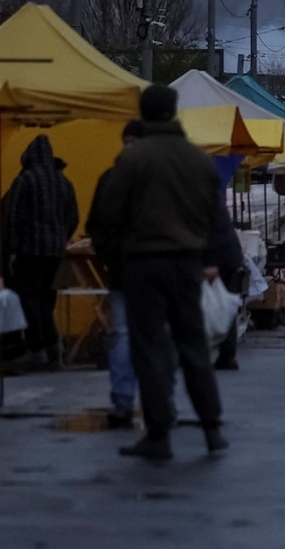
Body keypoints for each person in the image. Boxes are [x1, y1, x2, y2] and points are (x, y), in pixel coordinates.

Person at [94, 85, 227, 461]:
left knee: (149, 347)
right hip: (188, 261)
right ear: (173, 111)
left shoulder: (134, 160)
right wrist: (208, 257)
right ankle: (212, 427)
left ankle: (159, 432)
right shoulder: (197, 159)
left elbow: (108, 214)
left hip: (144, 263)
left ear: (143, 112)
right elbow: (216, 217)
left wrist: (114, 257)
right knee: (192, 343)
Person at [0, 134, 79, 370]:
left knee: (28, 301)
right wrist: (61, 238)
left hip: (29, 252)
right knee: (46, 302)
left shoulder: (24, 180)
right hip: (55, 253)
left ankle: (37, 350)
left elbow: (12, 217)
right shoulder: (64, 183)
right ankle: (54, 348)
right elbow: (73, 217)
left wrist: (13, 248)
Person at [85, 121, 145, 427]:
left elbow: (95, 225)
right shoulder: (159, 177)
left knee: (122, 334)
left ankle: (122, 401)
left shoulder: (109, 178)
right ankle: (158, 403)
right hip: (157, 270)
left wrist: (110, 258)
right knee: (155, 335)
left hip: (122, 270)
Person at [205, 190, 246, 371]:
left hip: (221, 261)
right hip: (231, 259)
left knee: (217, 304)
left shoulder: (203, 206)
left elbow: (212, 235)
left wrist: (210, 263)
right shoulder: (215, 203)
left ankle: (221, 353)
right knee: (227, 306)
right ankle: (227, 355)